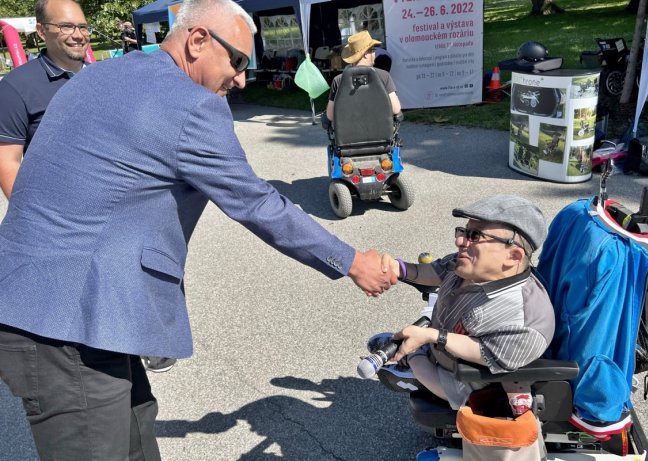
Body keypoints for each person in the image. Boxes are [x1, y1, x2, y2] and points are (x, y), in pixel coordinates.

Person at [0, 0, 396, 458]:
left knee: (136, 429)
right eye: (239, 61)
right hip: (65, 318)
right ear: (198, 40)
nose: (243, 78)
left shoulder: (98, 76)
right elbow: (257, 203)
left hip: (73, 304)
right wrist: (351, 261)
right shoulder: (191, 105)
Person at [374, 195, 555, 414]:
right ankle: (413, 351)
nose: (459, 241)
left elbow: (488, 352)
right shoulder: (470, 265)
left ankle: (412, 361)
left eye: (475, 236)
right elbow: (438, 270)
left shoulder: (524, 318)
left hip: (473, 382)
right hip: (444, 349)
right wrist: (399, 269)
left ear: (513, 256)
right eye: (463, 232)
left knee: (414, 356)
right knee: (411, 339)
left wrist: (432, 337)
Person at [0, 0, 90, 199]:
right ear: (42, 31)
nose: (78, 35)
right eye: (66, 26)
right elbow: (7, 162)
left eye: (83, 27)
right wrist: (29, 216)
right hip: (58, 212)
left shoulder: (103, 76)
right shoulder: (15, 87)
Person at [326, 30, 401, 121]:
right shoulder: (384, 76)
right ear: (365, 54)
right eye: (373, 50)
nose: (374, 53)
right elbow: (396, 109)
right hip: (380, 132)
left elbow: (330, 116)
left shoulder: (338, 80)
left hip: (348, 134)